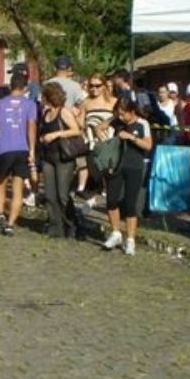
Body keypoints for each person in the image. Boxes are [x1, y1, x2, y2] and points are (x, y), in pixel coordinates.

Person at [0, 71, 38, 236]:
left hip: (3, 149)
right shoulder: (30, 105)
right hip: (22, 149)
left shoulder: (0, 103)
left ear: (10, 86)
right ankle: (10, 224)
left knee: (0, 183)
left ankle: (0, 213)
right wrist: (32, 150)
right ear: (25, 88)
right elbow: (31, 127)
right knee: (18, 188)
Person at [100, 95, 154, 255]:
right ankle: (116, 232)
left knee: (130, 204)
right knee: (111, 200)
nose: (121, 117)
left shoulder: (142, 123)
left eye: (124, 113)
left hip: (134, 165)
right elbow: (100, 127)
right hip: (116, 165)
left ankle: (130, 239)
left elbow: (148, 145)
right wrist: (105, 142)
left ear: (132, 111)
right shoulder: (117, 122)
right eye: (119, 113)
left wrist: (131, 137)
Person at [37, 81, 83, 239]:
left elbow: (76, 130)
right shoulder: (45, 113)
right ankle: (55, 226)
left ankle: (71, 223)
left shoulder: (63, 112)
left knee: (63, 194)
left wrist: (56, 134)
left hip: (63, 156)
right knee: (50, 195)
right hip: (48, 157)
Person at [77, 73, 117, 204]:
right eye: (91, 86)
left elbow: (121, 118)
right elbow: (80, 123)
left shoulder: (113, 102)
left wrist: (105, 125)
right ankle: (96, 191)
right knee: (95, 170)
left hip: (110, 143)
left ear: (105, 86)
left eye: (97, 86)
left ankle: (109, 194)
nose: (94, 89)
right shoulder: (86, 103)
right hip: (92, 144)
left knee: (110, 170)